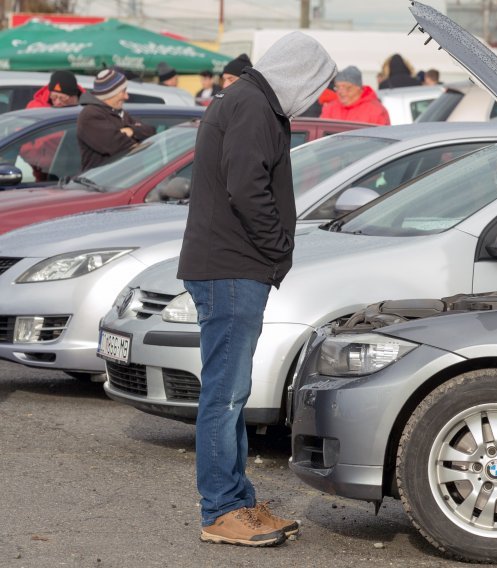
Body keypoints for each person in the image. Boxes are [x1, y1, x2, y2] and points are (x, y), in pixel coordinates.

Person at [177, 31, 336, 547]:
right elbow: (245, 188)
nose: (315, 97)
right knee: (224, 395)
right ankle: (221, 511)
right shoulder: (251, 106)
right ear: (297, 72)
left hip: (233, 267)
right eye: (316, 84)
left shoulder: (253, 103)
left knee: (231, 393)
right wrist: (277, 247)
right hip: (231, 269)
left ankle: (237, 502)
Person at [76, 68, 156, 172]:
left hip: (124, 182)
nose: (127, 97)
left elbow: (151, 131)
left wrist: (131, 131)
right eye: (123, 91)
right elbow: (121, 146)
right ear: (110, 94)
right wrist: (139, 140)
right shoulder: (90, 115)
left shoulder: (119, 113)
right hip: (101, 185)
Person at [20, 70, 84, 180]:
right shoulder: (37, 109)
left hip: (80, 171)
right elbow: (24, 143)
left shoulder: (85, 108)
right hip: (45, 171)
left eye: (63, 98)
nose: (58, 102)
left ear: (74, 97)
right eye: (54, 97)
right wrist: (41, 163)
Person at [320, 65, 390, 125]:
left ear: (359, 88)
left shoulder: (376, 111)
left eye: (347, 87)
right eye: (337, 87)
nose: (341, 92)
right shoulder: (330, 108)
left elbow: (383, 137)